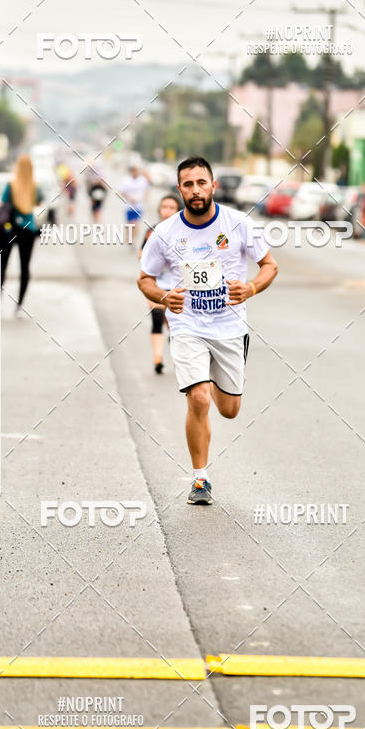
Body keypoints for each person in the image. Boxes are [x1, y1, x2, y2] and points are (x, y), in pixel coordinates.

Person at [138, 156, 278, 506]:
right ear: (180, 189)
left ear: (213, 186)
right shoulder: (166, 233)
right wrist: (163, 295)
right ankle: (200, 479)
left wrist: (252, 288)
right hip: (187, 326)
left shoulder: (238, 224)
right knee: (197, 398)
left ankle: (213, 380)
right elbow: (144, 279)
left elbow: (269, 265)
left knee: (229, 410)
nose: (196, 190)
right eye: (188, 184)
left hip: (230, 327)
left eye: (202, 183)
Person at [139, 193, 181, 374]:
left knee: (174, 324)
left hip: (179, 286)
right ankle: (158, 359)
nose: (168, 211)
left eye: (172, 208)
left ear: (178, 210)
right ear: (159, 210)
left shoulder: (185, 232)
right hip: (157, 284)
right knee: (157, 318)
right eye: (165, 207)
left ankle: (180, 358)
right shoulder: (152, 231)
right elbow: (141, 255)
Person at [0, 155, 43, 313]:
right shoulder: (35, 186)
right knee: (25, 267)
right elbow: (39, 202)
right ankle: (19, 304)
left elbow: (3, 203)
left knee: (2, 265)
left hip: (9, 229)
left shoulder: (11, 185)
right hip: (28, 231)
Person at [120, 164, 149, 248]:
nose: (134, 172)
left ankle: (134, 239)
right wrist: (129, 198)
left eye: (136, 170)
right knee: (129, 224)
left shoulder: (143, 180)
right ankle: (128, 236)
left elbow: (147, 190)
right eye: (133, 170)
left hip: (139, 206)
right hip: (128, 205)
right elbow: (122, 191)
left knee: (136, 223)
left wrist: (145, 199)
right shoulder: (126, 180)